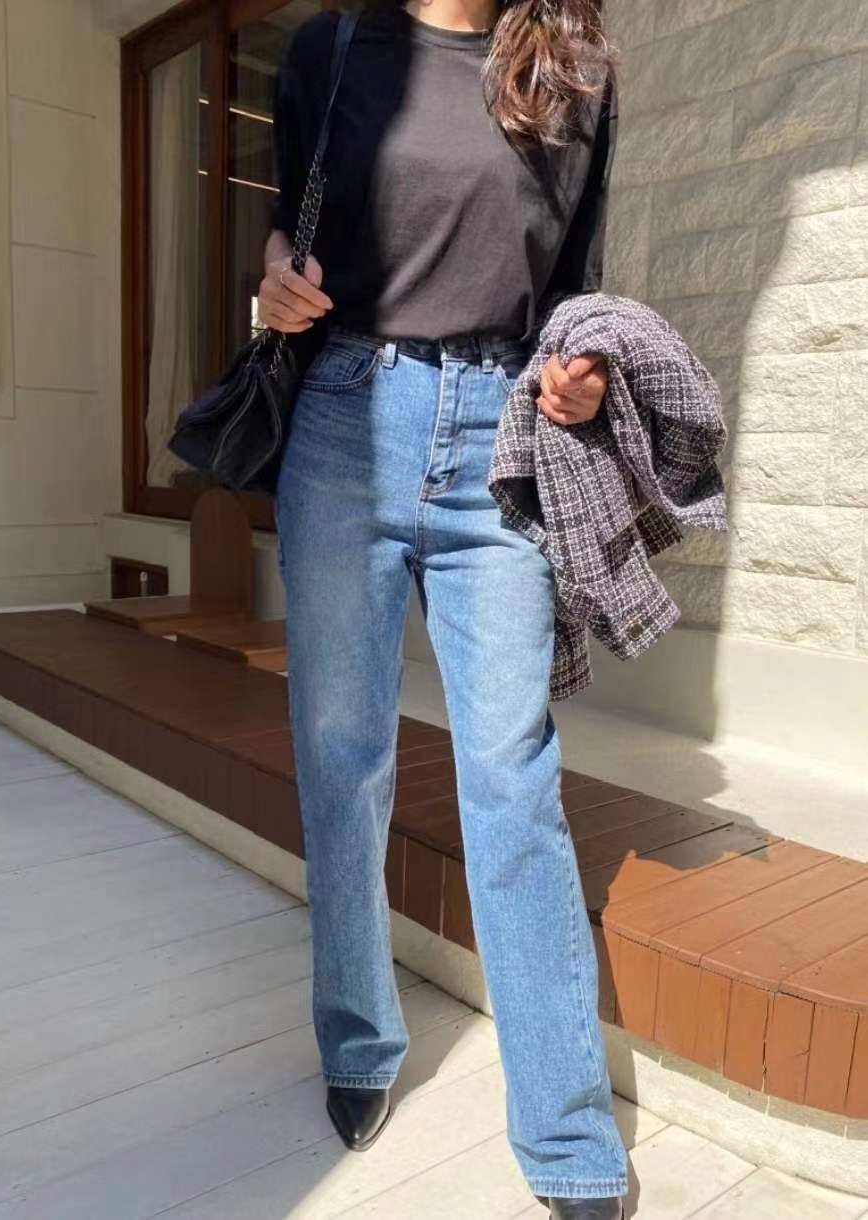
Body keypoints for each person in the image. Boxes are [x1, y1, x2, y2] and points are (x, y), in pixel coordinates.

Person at [260, 0, 627, 1215]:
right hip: (343, 423)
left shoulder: (571, 67)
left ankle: (568, 1131)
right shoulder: (332, 48)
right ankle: (360, 1039)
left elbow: (574, 284)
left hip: (499, 440)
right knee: (343, 759)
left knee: (513, 777)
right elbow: (285, 230)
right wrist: (275, 284)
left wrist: (581, 375)